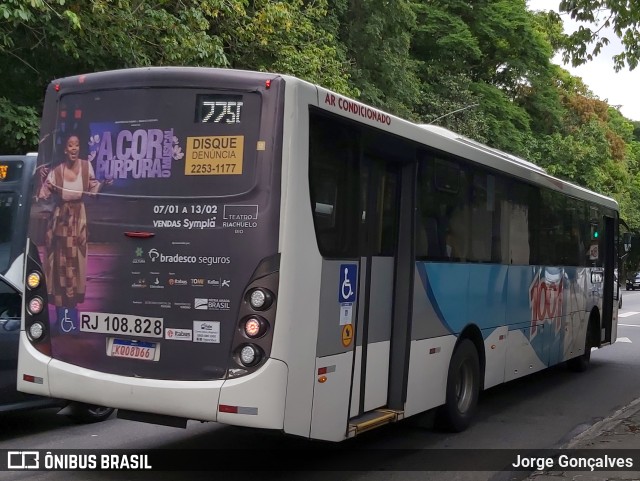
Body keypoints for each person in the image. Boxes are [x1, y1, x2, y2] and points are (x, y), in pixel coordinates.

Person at [38, 133, 109, 330]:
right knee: (61, 264)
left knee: (76, 262)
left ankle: (72, 316)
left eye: (76, 145)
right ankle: (62, 318)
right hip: (60, 220)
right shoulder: (57, 171)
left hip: (79, 220)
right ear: (65, 149)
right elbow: (42, 196)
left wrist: (104, 184)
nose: (74, 149)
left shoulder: (86, 167)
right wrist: (41, 179)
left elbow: (94, 189)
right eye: (70, 145)